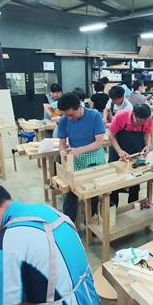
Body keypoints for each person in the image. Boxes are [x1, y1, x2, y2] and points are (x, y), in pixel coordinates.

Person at [56, 93, 106, 222]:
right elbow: (62, 142)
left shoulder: (94, 116)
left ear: (79, 107)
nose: (69, 118)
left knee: (92, 192)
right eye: (66, 115)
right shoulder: (63, 120)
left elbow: (99, 143)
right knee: (70, 192)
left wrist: (79, 150)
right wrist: (62, 152)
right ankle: (69, 224)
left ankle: (90, 221)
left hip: (94, 157)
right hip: (75, 158)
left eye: (71, 115)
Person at [108, 104, 153, 208]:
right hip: (118, 152)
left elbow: (147, 134)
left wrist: (147, 145)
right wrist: (119, 151)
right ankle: (113, 209)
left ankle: (133, 207)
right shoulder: (121, 116)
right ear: (133, 114)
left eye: (144, 121)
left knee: (135, 181)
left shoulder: (147, 119)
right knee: (115, 182)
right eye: (139, 121)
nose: (142, 124)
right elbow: (111, 135)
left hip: (136, 152)